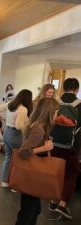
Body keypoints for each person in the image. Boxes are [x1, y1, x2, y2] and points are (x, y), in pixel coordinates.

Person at [15, 98, 59, 225]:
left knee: (34, 210)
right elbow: (23, 152)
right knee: (28, 212)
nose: (57, 115)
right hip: (32, 177)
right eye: (56, 112)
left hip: (31, 175)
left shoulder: (36, 125)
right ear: (49, 113)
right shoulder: (39, 129)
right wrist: (44, 148)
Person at [49, 78, 81, 219]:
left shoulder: (55, 102)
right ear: (77, 89)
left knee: (55, 172)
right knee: (71, 174)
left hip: (53, 143)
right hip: (71, 146)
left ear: (63, 87)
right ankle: (62, 204)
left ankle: (52, 200)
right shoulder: (79, 105)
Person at [0, 89, 33, 188]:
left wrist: (5, 118)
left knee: (8, 157)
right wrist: (27, 127)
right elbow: (19, 126)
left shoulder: (11, 104)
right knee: (19, 159)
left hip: (6, 132)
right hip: (15, 135)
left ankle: (4, 181)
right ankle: (15, 183)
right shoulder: (23, 109)